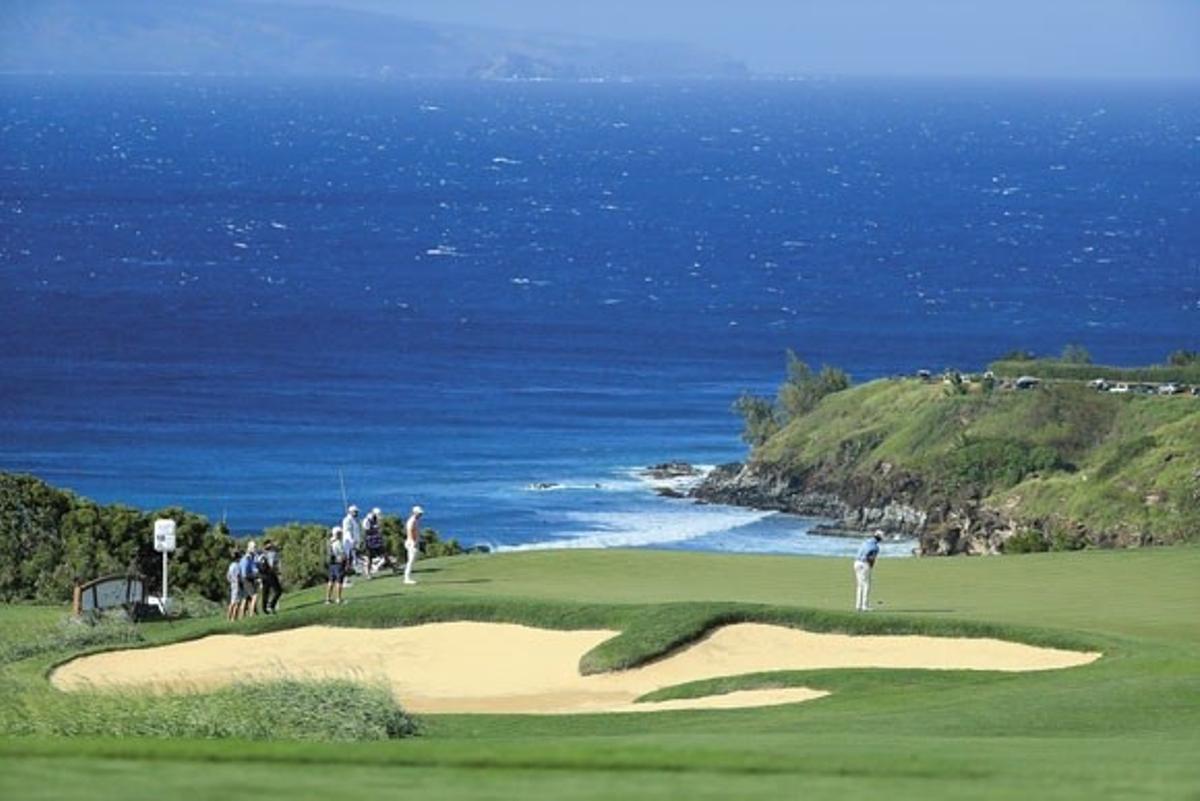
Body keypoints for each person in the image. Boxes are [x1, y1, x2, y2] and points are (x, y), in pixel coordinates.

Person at [853, 531, 884, 612]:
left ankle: (858, 606)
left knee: (860, 585)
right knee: (866, 584)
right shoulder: (876, 547)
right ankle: (865, 606)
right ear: (879, 538)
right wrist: (870, 567)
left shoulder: (865, 542)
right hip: (864, 564)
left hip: (856, 563)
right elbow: (870, 558)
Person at [258, 539, 283, 614]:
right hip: (270, 574)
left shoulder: (261, 555)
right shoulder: (272, 553)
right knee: (278, 591)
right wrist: (277, 572)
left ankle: (264, 608)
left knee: (265, 592)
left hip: (263, 575)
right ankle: (271, 605)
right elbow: (272, 565)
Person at [361, 507, 386, 579]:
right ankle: (368, 573)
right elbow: (366, 531)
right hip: (370, 542)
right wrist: (375, 529)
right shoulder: (367, 520)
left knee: (384, 554)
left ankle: (394, 568)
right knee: (369, 558)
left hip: (377, 541)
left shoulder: (376, 520)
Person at [239, 541, 261, 618]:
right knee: (255, 596)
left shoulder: (252, 557)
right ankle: (251, 615)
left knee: (245, 598)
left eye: (255, 547)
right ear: (250, 548)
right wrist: (255, 576)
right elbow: (245, 573)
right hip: (246, 579)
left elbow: (254, 567)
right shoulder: (247, 557)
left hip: (247, 578)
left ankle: (241, 617)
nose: (255, 548)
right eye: (254, 547)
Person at [341, 505, 362, 582]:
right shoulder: (347, 520)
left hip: (354, 543)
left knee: (352, 560)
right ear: (351, 512)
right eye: (355, 512)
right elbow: (347, 532)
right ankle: (345, 577)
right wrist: (352, 541)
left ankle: (348, 576)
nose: (357, 513)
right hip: (349, 543)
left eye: (357, 512)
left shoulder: (354, 520)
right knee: (348, 560)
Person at [403, 505, 424, 585]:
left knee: (412, 560)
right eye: (419, 513)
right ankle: (407, 578)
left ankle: (407, 577)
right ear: (415, 513)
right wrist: (413, 542)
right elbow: (410, 531)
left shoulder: (415, 520)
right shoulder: (412, 521)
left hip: (413, 542)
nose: (420, 515)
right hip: (411, 542)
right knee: (411, 561)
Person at [325, 526, 346, 605]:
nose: (341, 534)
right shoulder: (338, 542)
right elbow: (342, 554)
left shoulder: (330, 541)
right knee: (339, 581)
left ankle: (328, 599)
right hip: (338, 563)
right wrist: (345, 560)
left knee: (330, 581)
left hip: (331, 564)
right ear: (337, 534)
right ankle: (338, 598)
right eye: (340, 533)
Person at [226, 549, 243, 621]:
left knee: (232, 602)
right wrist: (240, 583)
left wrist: (231, 581)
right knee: (237, 602)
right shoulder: (237, 565)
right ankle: (234, 618)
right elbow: (238, 576)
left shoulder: (231, 565)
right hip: (237, 584)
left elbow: (228, 576)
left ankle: (228, 618)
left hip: (232, 584)